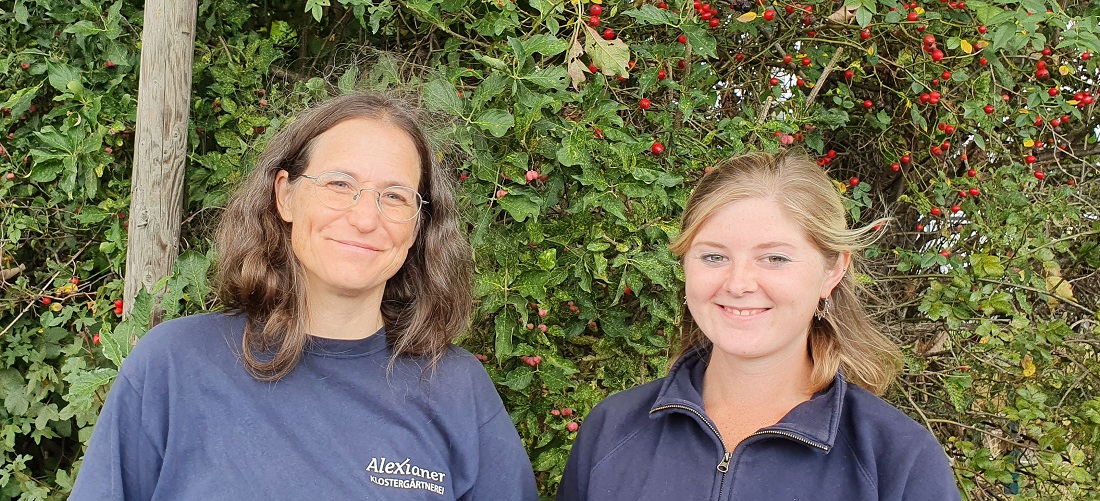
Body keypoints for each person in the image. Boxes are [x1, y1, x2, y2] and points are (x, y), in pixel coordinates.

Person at [71, 92, 539, 500]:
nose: (365, 218)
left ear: (418, 226)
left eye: (395, 197)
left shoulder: (457, 390)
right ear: (285, 196)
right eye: (340, 184)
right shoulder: (173, 367)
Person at [557, 150, 961, 500]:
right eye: (714, 256)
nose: (738, 284)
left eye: (775, 258)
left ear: (832, 270)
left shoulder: (897, 462)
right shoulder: (612, 431)